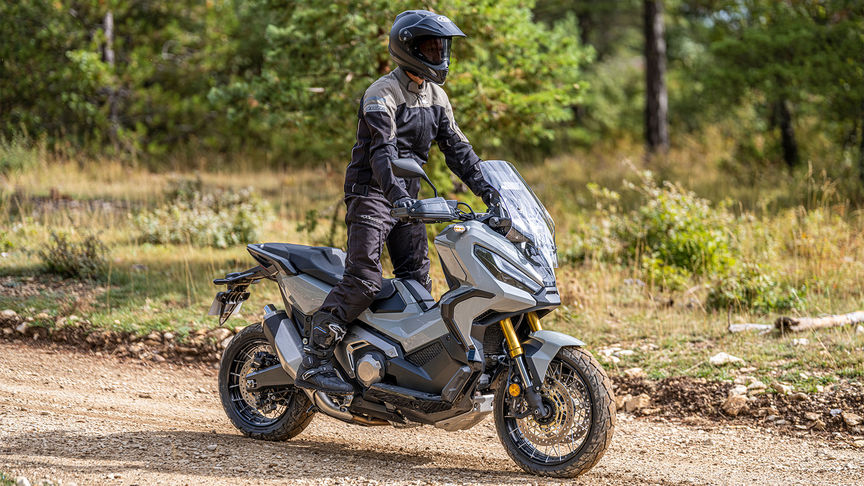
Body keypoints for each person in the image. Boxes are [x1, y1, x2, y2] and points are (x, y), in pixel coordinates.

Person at [294, 10, 498, 394]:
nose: (440, 55)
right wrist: (397, 197)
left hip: (408, 199)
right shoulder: (381, 94)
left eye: (442, 47)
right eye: (431, 47)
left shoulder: (436, 96)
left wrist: (492, 192)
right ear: (408, 50)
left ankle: (398, 364)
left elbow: (458, 151)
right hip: (372, 193)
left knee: (417, 284)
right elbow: (383, 153)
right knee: (364, 279)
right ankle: (315, 358)